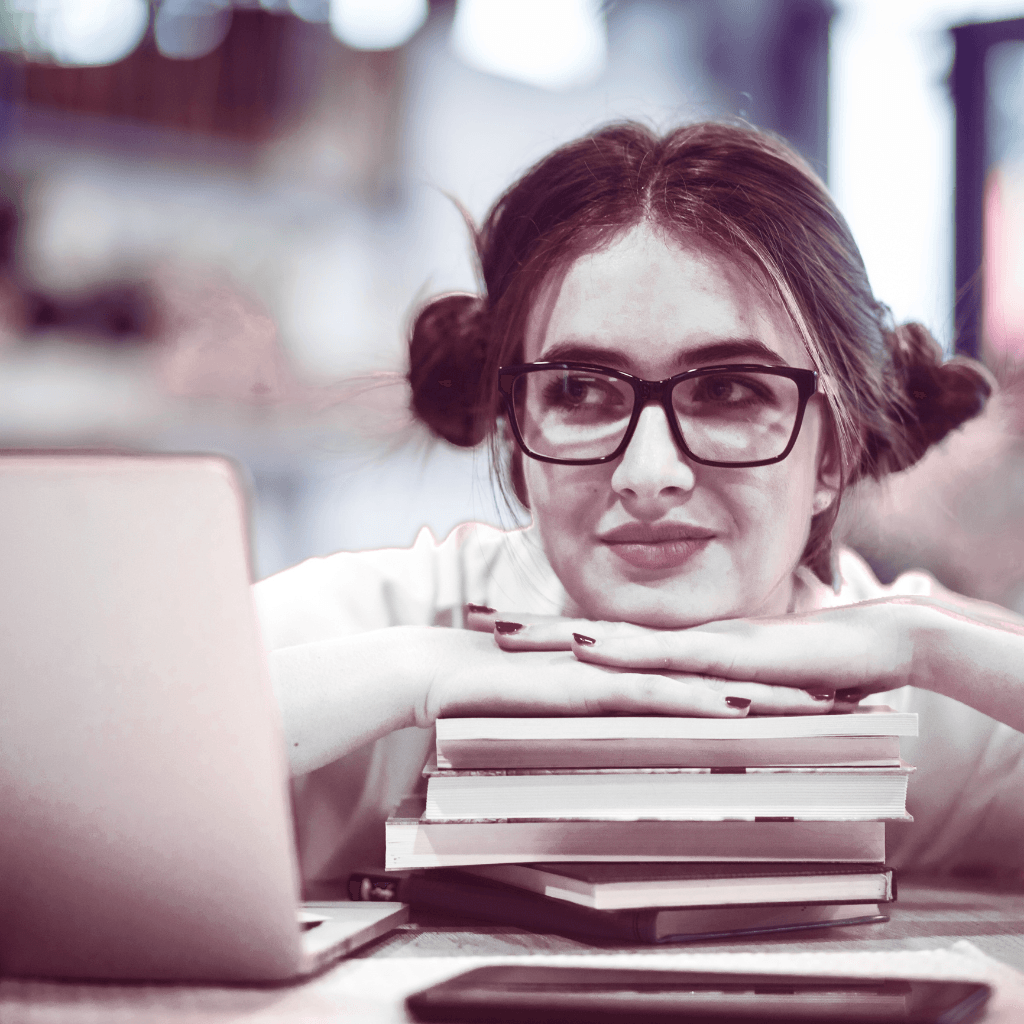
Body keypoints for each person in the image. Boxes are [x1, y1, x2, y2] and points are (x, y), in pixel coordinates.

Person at [254, 121, 1024, 896]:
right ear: (517, 436)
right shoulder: (380, 632)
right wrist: (416, 676)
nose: (647, 474)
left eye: (728, 390)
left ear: (831, 455)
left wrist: (928, 649)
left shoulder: (930, 695)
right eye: (579, 392)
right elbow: (130, 747)